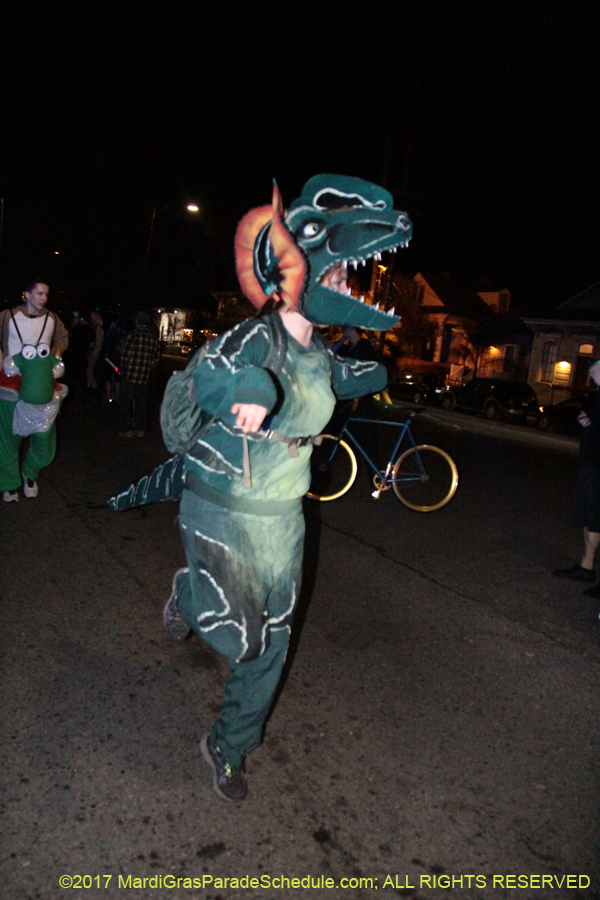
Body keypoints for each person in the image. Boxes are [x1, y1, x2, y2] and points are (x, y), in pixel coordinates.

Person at [109, 175, 412, 802]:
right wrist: (248, 391)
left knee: (271, 642)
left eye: (342, 280)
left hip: (283, 517)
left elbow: (338, 381)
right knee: (239, 634)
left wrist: (375, 372)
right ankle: (188, 593)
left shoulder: (321, 356)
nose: (342, 283)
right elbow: (217, 376)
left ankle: (228, 745)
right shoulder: (255, 335)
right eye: (329, 274)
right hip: (221, 507)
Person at [0, 279, 69, 502]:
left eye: (46, 294)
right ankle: (9, 484)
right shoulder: (6, 316)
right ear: (27, 294)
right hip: (11, 383)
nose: (44, 299)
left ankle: (30, 473)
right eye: (39, 294)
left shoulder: (52, 318)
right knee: (9, 438)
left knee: (44, 438)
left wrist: (57, 353)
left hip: (43, 384)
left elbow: (62, 337)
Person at [554, 359, 600, 595]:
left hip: (597, 465)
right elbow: (586, 421)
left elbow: (590, 421)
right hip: (591, 463)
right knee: (588, 516)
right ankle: (586, 566)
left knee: (595, 517)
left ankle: (588, 568)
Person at [118, 310, 160, 437]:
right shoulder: (153, 339)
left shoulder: (132, 335)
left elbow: (125, 355)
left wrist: (123, 367)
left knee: (126, 403)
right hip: (144, 377)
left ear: (137, 321)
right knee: (141, 404)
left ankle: (126, 429)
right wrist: (147, 369)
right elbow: (156, 358)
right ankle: (140, 428)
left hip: (130, 375)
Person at [86, 310, 104, 392]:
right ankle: (91, 387)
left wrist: (92, 344)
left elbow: (98, 343)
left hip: (95, 353)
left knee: (89, 371)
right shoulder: (97, 329)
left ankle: (93, 388)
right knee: (89, 371)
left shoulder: (99, 329)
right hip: (94, 353)